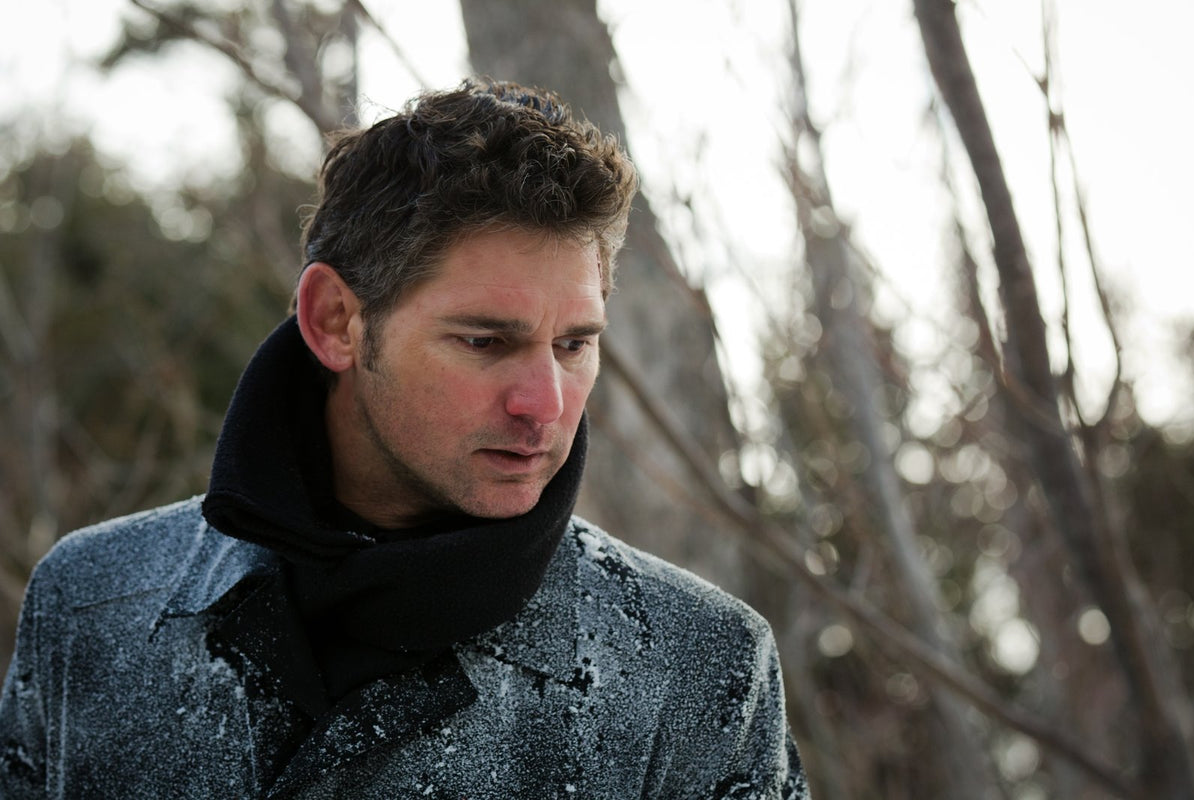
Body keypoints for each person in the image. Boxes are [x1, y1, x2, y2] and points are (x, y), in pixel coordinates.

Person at [0, 78, 809, 799]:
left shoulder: (700, 668)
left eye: (574, 345)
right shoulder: (94, 602)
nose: (544, 403)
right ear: (335, 321)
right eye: (484, 341)